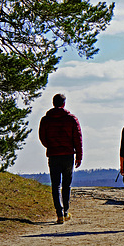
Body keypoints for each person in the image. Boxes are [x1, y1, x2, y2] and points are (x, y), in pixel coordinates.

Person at [38, 93, 83, 224]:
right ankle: (65, 211)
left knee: (55, 185)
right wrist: (79, 155)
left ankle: (59, 214)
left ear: (53, 103)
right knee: (66, 185)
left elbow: (42, 137)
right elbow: (78, 138)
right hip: (68, 154)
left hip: (53, 155)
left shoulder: (46, 119)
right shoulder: (71, 119)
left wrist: (50, 146)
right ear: (64, 103)